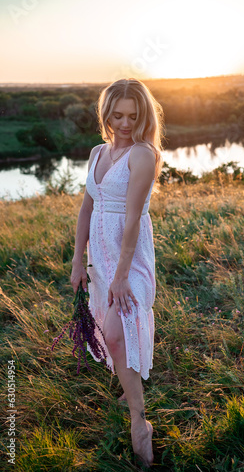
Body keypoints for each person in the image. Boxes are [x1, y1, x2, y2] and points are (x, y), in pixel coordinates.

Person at [70, 78, 164, 467]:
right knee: (112, 329)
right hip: (99, 254)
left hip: (129, 255)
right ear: (106, 113)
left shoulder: (143, 155)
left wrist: (123, 274)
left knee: (115, 327)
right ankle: (130, 386)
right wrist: (78, 260)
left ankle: (139, 423)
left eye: (133, 115)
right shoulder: (96, 152)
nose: (125, 123)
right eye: (117, 115)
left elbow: (131, 219)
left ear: (143, 116)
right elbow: (86, 209)